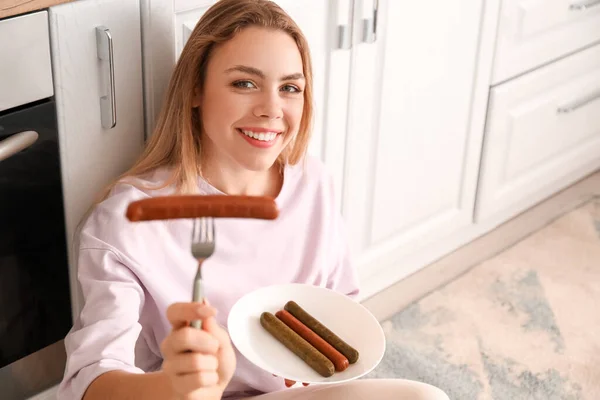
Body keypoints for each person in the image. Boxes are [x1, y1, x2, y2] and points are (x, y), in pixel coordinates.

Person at [57, 1, 450, 399]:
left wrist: (310, 368)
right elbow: (88, 382)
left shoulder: (313, 183)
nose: (271, 109)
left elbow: (340, 301)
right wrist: (177, 386)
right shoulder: (127, 220)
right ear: (196, 88)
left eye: (290, 88)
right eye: (245, 83)